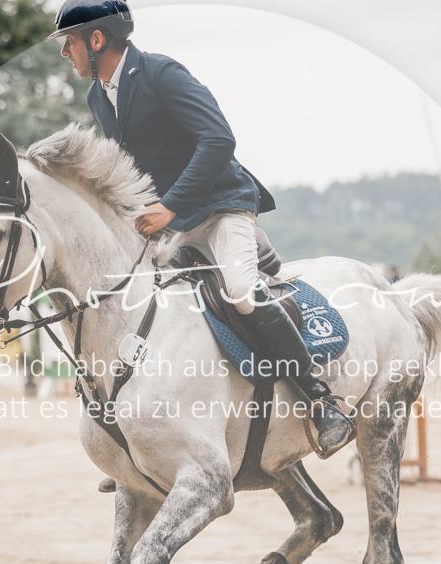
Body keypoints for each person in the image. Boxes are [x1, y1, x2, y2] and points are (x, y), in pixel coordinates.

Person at [50, 0, 353, 456]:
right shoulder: (98, 95)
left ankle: (320, 400)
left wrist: (170, 208)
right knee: (131, 298)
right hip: (172, 219)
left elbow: (218, 140)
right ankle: (149, 438)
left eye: (68, 42)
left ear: (97, 39)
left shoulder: (161, 73)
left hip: (221, 205)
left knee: (240, 294)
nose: (64, 52)